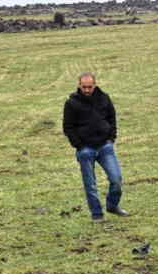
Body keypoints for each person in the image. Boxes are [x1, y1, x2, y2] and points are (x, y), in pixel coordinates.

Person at [63, 72, 128, 222]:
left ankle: (112, 205)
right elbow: (68, 127)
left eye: (89, 87)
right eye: (84, 87)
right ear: (79, 85)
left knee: (116, 179)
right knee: (90, 185)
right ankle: (97, 214)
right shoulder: (71, 103)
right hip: (86, 150)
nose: (86, 90)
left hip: (105, 146)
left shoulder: (104, 98)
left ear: (95, 85)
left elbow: (112, 117)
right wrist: (79, 146)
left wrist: (111, 138)